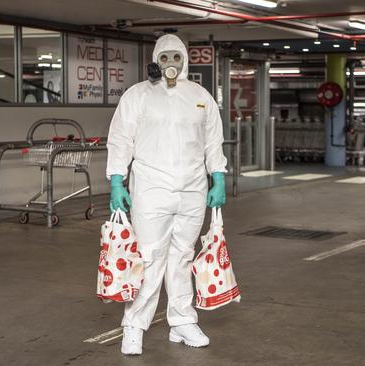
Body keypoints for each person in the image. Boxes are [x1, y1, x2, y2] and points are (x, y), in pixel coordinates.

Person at [106, 34, 227, 356]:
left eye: (176, 58)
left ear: (185, 60)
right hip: (151, 186)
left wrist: (218, 178)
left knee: (183, 256)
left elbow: (213, 141)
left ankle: (182, 321)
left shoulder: (200, 96)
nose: (171, 65)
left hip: (192, 188)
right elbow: (120, 139)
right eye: (165, 58)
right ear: (155, 60)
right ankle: (134, 326)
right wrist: (117, 180)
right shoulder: (138, 96)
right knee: (148, 257)